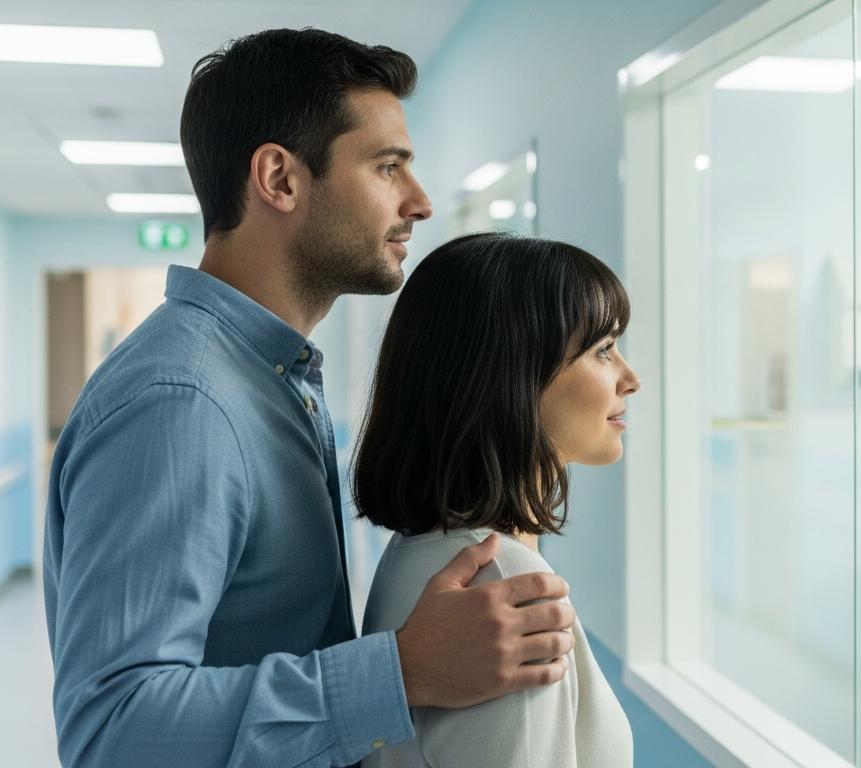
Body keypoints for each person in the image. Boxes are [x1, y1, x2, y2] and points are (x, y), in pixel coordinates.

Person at [43, 29, 575, 767]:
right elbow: (113, 733)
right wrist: (402, 671)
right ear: (280, 179)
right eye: (388, 167)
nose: (418, 202)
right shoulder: (182, 402)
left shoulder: (274, 380)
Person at [355, 233, 641, 767]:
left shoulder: (424, 550)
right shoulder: (499, 588)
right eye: (603, 350)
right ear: (514, 374)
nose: (631, 379)